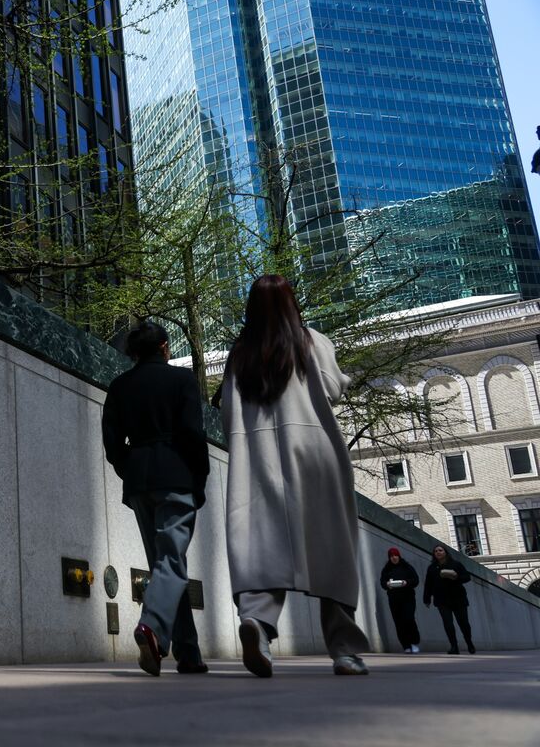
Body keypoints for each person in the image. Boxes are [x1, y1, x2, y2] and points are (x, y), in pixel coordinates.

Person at [219, 275, 371, 677]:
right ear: (292, 304)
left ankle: (258, 624)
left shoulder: (239, 354)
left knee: (260, 546)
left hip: (257, 457)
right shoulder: (312, 341)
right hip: (313, 453)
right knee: (332, 548)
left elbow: (227, 413)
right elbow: (334, 389)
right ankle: (344, 650)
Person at [102, 321, 210, 677]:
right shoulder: (181, 380)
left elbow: (112, 444)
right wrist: (199, 476)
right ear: (165, 347)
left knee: (166, 565)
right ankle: (151, 626)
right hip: (176, 476)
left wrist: (130, 468)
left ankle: (187, 652)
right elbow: (193, 433)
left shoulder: (120, 386)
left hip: (139, 482)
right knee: (171, 563)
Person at [423, 544, 476, 655]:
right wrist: (427, 598)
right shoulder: (432, 568)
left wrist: (456, 577)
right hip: (441, 599)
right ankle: (454, 646)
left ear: (445, 552)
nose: (438, 552)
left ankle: (469, 643)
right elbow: (428, 584)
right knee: (448, 624)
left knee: (463, 623)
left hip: (458, 598)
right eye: (436, 551)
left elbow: (467, 577)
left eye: (440, 550)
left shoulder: (455, 564)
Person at [379, 547, 421, 653]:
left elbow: (415, 580)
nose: (394, 558)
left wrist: (406, 582)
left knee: (409, 618)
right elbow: (382, 583)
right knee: (399, 622)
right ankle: (406, 645)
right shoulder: (386, 569)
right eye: (391, 556)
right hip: (394, 599)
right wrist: (387, 584)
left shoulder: (407, 567)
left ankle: (414, 642)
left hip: (408, 597)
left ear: (399, 556)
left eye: (395, 555)